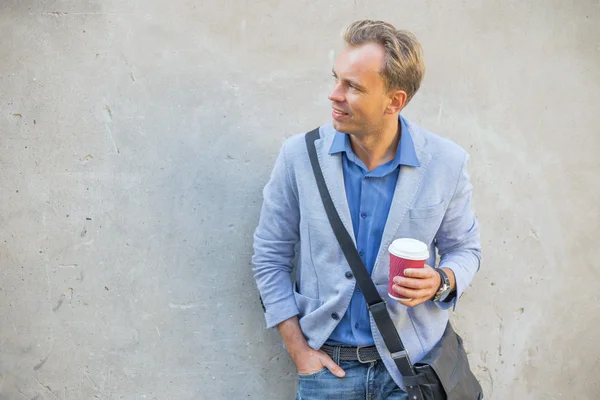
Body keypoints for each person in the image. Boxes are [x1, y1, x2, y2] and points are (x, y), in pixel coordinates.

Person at [252, 19, 481, 400]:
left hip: (412, 370)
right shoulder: (299, 157)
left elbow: (467, 250)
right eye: (336, 79)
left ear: (395, 100)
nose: (334, 95)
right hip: (329, 372)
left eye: (353, 87)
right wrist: (299, 351)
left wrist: (441, 280)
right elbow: (269, 256)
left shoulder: (446, 162)